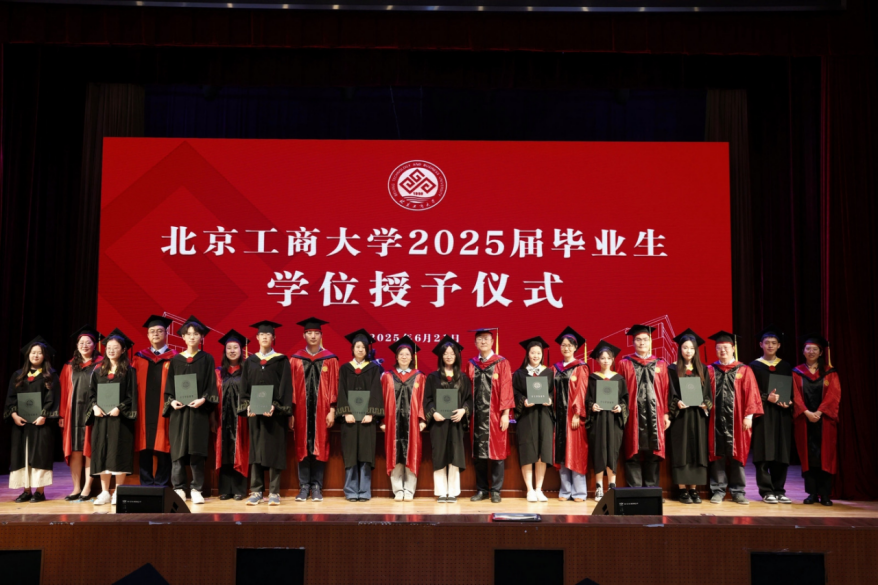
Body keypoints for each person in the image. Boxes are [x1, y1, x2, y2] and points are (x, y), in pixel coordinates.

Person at [164, 316, 218, 505]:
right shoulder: (176, 360)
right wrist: (171, 401)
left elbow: (211, 385)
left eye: (196, 334)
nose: (192, 337)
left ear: (201, 337)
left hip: (198, 412)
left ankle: (196, 489)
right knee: (178, 452)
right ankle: (178, 488)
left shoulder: (207, 359)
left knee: (197, 451)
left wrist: (203, 399)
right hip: (179, 413)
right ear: (183, 337)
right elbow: (169, 387)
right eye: (188, 334)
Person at [240, 320, 294, 506]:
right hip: (255, 414)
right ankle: (256, 491)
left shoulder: (281, 360)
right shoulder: (250, 362)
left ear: (273, 338)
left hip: (274, 415)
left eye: (268, 334)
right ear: (257, 338)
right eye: (261, 334)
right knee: (256, 452)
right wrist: (247, 405)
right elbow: (244, 387)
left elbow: (285, 387)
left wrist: (276, 406)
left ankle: (274, 492)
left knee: (274, 452)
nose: (264, 337)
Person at [706, 331, 763, 505]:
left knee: (737, 454)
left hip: (738, 420)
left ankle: (738, 491)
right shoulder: (710, 370)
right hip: (714, 420)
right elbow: (704, 394)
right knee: (717, 454)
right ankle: (718, 490)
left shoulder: (744, 370)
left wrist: (749, 416)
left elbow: (752, 393)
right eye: (719, 348)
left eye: (726, 347)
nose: (722, 350)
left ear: (733, 349)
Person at [289, 317, 338, 503]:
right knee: (302, 446)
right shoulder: (295, 360)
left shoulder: (330, 359)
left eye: (316, 333)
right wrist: (291, 413)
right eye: (309, 333)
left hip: (322, 410)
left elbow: (334, 386)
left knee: (320, 445)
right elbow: (291, 388)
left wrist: (332, 409)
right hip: (300, 411)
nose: (312, 336)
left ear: (321, 335)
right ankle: (304, 487)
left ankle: (317, 486)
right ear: (304, 335)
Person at [5, 337, 60, 502]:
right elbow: (10, 398)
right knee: (23, 454)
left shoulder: (50, 375)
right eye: (33, 353)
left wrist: (44, 415)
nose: (35, 355)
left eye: (39, 353)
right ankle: (26, 490)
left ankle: (40, 491)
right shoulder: (18, 375)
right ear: (28, 355)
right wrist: (14, 414)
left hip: (41, 424)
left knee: (40, 455)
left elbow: (53, 398)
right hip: (21, 424)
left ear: (45, 356)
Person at [86, 329, 137, 506]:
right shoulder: (98, 371)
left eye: (115, 347)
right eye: (108, 347)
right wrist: (94, 407)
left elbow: (131, 396)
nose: (111, 350)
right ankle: (104, 492)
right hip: (101, 419)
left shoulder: (129, 371)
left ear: (123, 350)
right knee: (102, 451)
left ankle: (118, 491)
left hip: (120, 420)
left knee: (118, 451)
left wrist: (119, 408)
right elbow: (91, 394)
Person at [616, 324, 670, 488]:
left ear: (650, 341)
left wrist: (666, 413)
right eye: (638, 340)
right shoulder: (624, 363)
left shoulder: (660, 364)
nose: (642, 343)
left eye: (645, 339)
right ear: (633, 342)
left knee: (652, 452)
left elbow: (666, 390)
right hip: (633, 413)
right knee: (633, 452)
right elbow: (618, 389)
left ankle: (651, 490)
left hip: (655, 414)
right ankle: (636, 489)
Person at [465, 328, 514, 504]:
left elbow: (506, 388)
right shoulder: (471, 364)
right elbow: (467, 392)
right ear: (475, 343)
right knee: (479, 455)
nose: (483, 342)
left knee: (497, 455)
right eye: (480, 339)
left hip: (495, 416)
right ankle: (482, 490)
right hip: (477, 417)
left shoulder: (502, 363)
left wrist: (505, 414)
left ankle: (496, 491)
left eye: (486, 338)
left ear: (492, 342)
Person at [792, 334, 841, 506]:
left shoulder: (830, 372)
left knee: (825, 456)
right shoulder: (797, 372)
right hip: (804, 421)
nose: (811, 352)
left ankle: (825, 494)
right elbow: (795, 395)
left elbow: (833, 395)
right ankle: (812, 493)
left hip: (824, 421)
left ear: (821, 352)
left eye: (815, 349)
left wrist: (819, 412)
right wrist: (806, 412)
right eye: (808, 349)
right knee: (808, 456)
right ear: (803, 351)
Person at [336, 329, 384, 502]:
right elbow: (341, 391)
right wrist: (346, 412)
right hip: (349, 419)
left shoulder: (373, 369)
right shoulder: (345, 369)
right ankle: (350, 490)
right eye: (357, 346)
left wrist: (371, 413)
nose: (361, 349)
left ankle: (364, 491)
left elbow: (376, 392)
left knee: (365, 454)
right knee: (350, 454)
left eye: (363, 347)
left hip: (366, 420)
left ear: (367, 349)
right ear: (352, 348)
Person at [424, 335, 472, 503]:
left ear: (457, 355)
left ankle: (452, 492)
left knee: (454, 455)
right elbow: (427, 400)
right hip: (438, 423)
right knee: (440, 455)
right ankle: (441, 492)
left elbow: (469, 400)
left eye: (452, 353)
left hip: (455, 423)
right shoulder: (433, 377)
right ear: (441, 356)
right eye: (446, 353)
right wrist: (433, 413)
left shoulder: (463, 378)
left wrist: (463, 411)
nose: (449, 356)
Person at [750, 325, 794, 505]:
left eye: (773, 343)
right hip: (763, 413)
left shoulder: (785, 366)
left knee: (781, 452)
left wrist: (789, 401)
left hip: (782, 414)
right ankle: (766, 491)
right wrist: (766, 397)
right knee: (763, 452)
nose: (770, 345)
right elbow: (750, 391)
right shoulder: (754, 366)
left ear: (779, 345)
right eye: (767, 342)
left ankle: (779, 490)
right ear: (761, 344)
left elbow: (792, 389)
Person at [59, 325, 103, 501]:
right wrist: (62, 415)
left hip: (93, 411)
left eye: (88, 342)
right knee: (75, 450)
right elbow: (63, 391)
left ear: (94, 345)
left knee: (89, 449)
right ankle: (76, 487)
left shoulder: (101, 364)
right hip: (73, 413)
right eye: (81, 343)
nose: (85, 345)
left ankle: (87, 487)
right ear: (77, 346)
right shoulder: (69, 366)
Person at [667, 329, 711, 504]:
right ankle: (682, 489)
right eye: (685, 347)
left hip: (698, 417)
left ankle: (693, 489)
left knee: (696, 450)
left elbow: (708, 394)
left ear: (696, 350)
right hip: (681, 417)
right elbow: (669, 392)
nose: (688, 351)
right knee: (681, 450)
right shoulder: (672, 369)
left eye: (692, 348)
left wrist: (705, 403)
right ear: (680, 349)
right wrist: (676, 402)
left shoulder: (703, 369)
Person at [132, 315, 177, 488]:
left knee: (164, 444)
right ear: (148, 335)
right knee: (144, 445)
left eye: (159, 331)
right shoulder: (139, 358)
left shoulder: (174, 357)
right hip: (143, 408)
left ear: (166, 334)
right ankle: (146, 483)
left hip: (165, 408)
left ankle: (161, 483)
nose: (156, 334)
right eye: (152, 331)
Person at [380, 336, 427, 501]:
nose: (404, 357)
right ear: (396, 356)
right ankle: (398, 490)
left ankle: (409, 490)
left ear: (412, 357)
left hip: (412, 422)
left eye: (407, 354)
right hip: (392, 422)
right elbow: (381, 399)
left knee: (411, 453)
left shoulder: (420, 377)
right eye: (401, 354)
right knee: (395, 453)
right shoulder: (387, 376)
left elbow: (423, 399)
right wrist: (382, 421)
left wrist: (422, 419)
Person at [513, 336, 555, 503]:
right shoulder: (520, 373)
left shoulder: (548, 373)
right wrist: (523, 401)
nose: (536, 356)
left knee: (541, 454)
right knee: (528, 452)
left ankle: (539, 489)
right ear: (527, 354)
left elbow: (553, 392)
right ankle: (529, 489)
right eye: (533, 353)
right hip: (527, 416)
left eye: (538, 353)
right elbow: (515, 393)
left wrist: (550, 400)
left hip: (544, 416)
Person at [586, 341, 628, 501]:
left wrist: (620, 407)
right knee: (599, 451)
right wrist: (592, 406)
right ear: (597, 360)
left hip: (614, 420)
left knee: (612, 451)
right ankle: (598, 488)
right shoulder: (592, 378)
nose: (605, 361)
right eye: (602, 358)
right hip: (598, 420)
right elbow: (587, 399)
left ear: (612, 360)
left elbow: (625, 400)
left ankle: (612, 486)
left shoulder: (619, 379)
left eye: (608, 358)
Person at [551, 327, 589, 502]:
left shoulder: (580, 367)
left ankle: (579, 492)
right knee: (561, 451)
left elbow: (582, 391)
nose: (566, 348)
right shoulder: (555, 368)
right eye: (563, 345)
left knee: (576, 451)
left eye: (569, 345)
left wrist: (577, 413)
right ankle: (565, 491)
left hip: (573, 417)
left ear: (575, 347)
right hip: (558, 417)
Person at [214, 329, 250, 501]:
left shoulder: (246, 372)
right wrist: (212, 419)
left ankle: (239, 489)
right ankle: (225, 489)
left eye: (236, 348)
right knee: (224, 453)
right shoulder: (218, 372)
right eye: (229, 348)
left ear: (241, 350)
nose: (232, 351)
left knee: (239, 451)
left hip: (241, 420)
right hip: (221, 419)